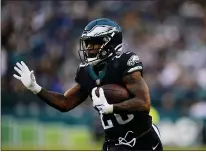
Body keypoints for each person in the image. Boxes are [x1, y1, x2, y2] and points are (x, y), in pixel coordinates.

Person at [13, 18, 163, 151]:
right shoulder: (86, 71)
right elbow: (65, 103)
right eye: (87, 43)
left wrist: (112, 108)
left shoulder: (124, 63)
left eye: (95, 43)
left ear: (110, 43)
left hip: (143, 141)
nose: (89, 47)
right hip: (114, 144)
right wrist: (36, 88)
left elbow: (144, 103)